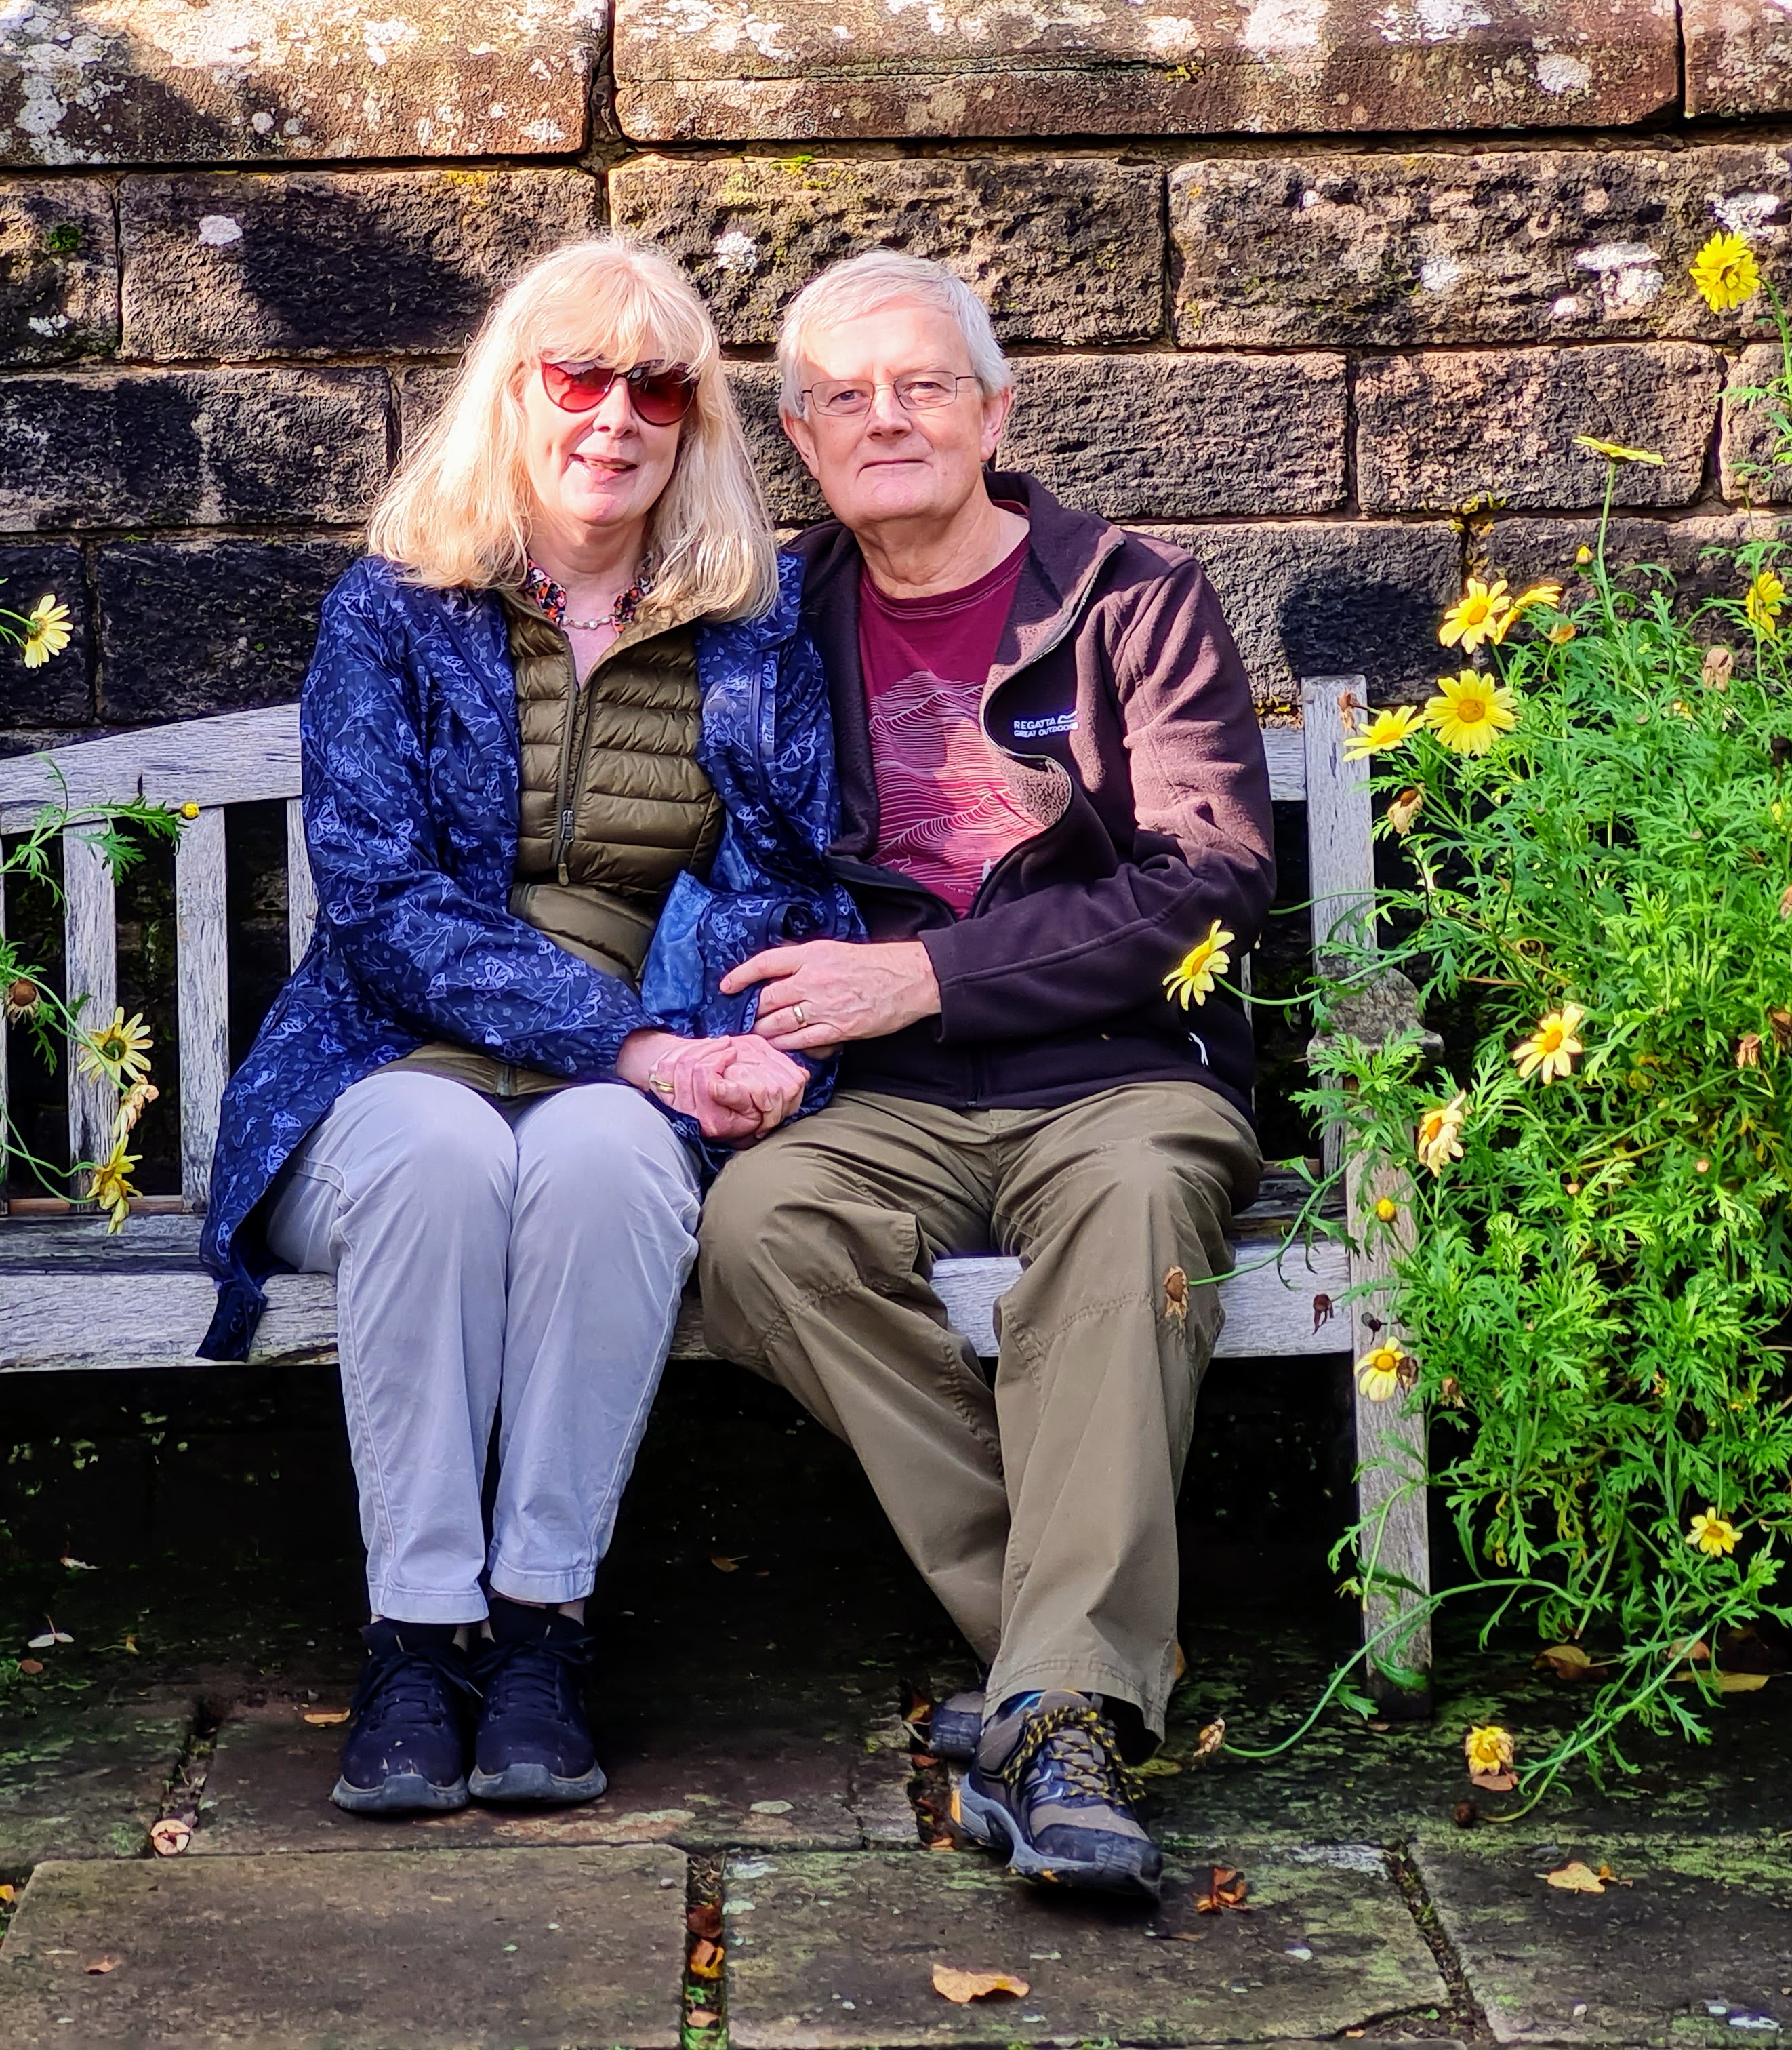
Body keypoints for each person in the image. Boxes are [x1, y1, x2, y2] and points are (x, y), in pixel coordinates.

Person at [197, 238, 855, 1820]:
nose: (614, 416)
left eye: (657, 387)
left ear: (693, 422)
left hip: (634, 1072)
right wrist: (635, 1045)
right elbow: (380, 900)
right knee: (438, 1156)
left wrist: (763, 1046)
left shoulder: (749, 632)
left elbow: (789, 878)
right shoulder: (393, 612)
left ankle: (543, 1631)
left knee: (613, 1162)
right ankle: (418, 1637)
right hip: (382, 1062)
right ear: (514, 392)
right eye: (577, 377)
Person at [695, 252, 1277, 1897]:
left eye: (923, 385)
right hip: (884, 1103)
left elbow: (1211, 875)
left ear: (995, 412)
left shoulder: (1134, 598)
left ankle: (1057, 1712)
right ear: (802, 438)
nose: (886, 419)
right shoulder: (771, 620)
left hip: (1119, 1074)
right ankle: (1063, 1668)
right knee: (756, 1233)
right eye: (845, 396)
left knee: (1138, 1209)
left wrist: (930, 975)